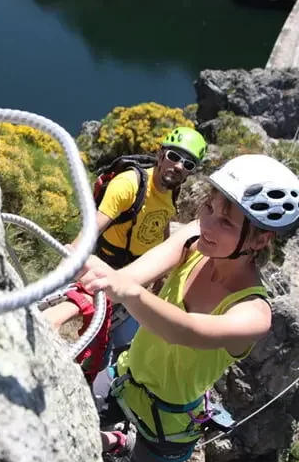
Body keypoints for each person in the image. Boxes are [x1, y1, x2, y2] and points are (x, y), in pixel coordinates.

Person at [77, 154, 299, 462]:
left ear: (260, 239)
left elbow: (184, 331)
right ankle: (119, 441)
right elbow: (130, 278)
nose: (207, 222)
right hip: (124, 378)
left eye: (225, 221)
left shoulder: (253, 312)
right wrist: (71, 302)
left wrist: (128, 291)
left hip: (168, 425)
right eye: (209, 208)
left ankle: (124, 445)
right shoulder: (194, 240)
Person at [40, 127, 208, 380]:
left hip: (139, 275)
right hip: (110, 268)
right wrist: (69, 262)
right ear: (160, 154)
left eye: (188, 164)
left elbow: (162, 222)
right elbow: (92, 228)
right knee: (98, 340)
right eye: (174, 156)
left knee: (122, 341)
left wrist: (161, 274)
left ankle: (99, 381)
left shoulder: (172, 189)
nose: (179, 166)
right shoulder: (130, 184)